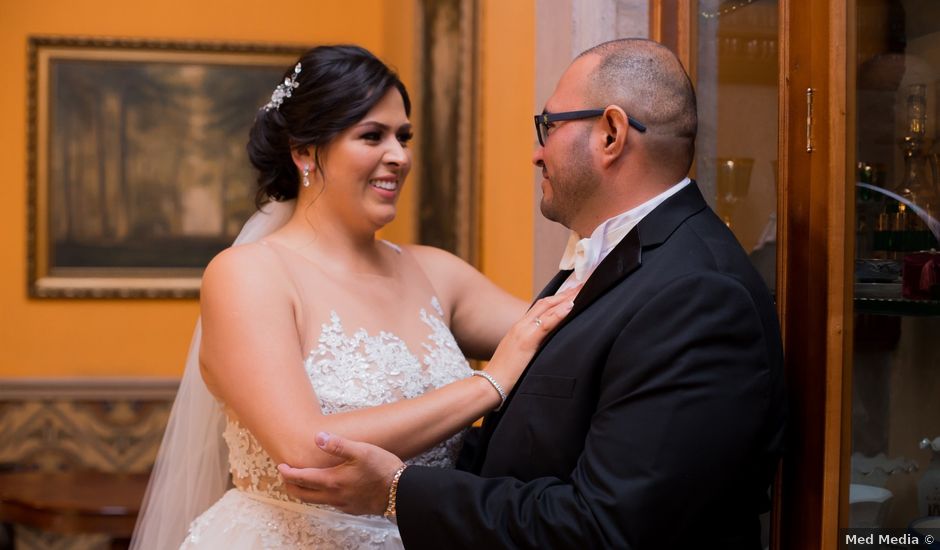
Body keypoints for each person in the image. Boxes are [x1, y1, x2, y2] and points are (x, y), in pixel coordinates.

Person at [278, 38, 787, 549]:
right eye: (371, 135)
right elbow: (538, 436)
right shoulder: (619, 259)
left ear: (610, 134)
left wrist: (397, 490)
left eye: (548, 127)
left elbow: (607, 529)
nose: (536, 152)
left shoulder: (698, 295)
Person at [130, 44, 578, 550]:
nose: (400, 156)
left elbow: (571, 329)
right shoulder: (249, 275)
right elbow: (308, 449)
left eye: (403, 137)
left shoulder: (436, 272)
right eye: (372, 136)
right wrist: (487, 385)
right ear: (304, 151)